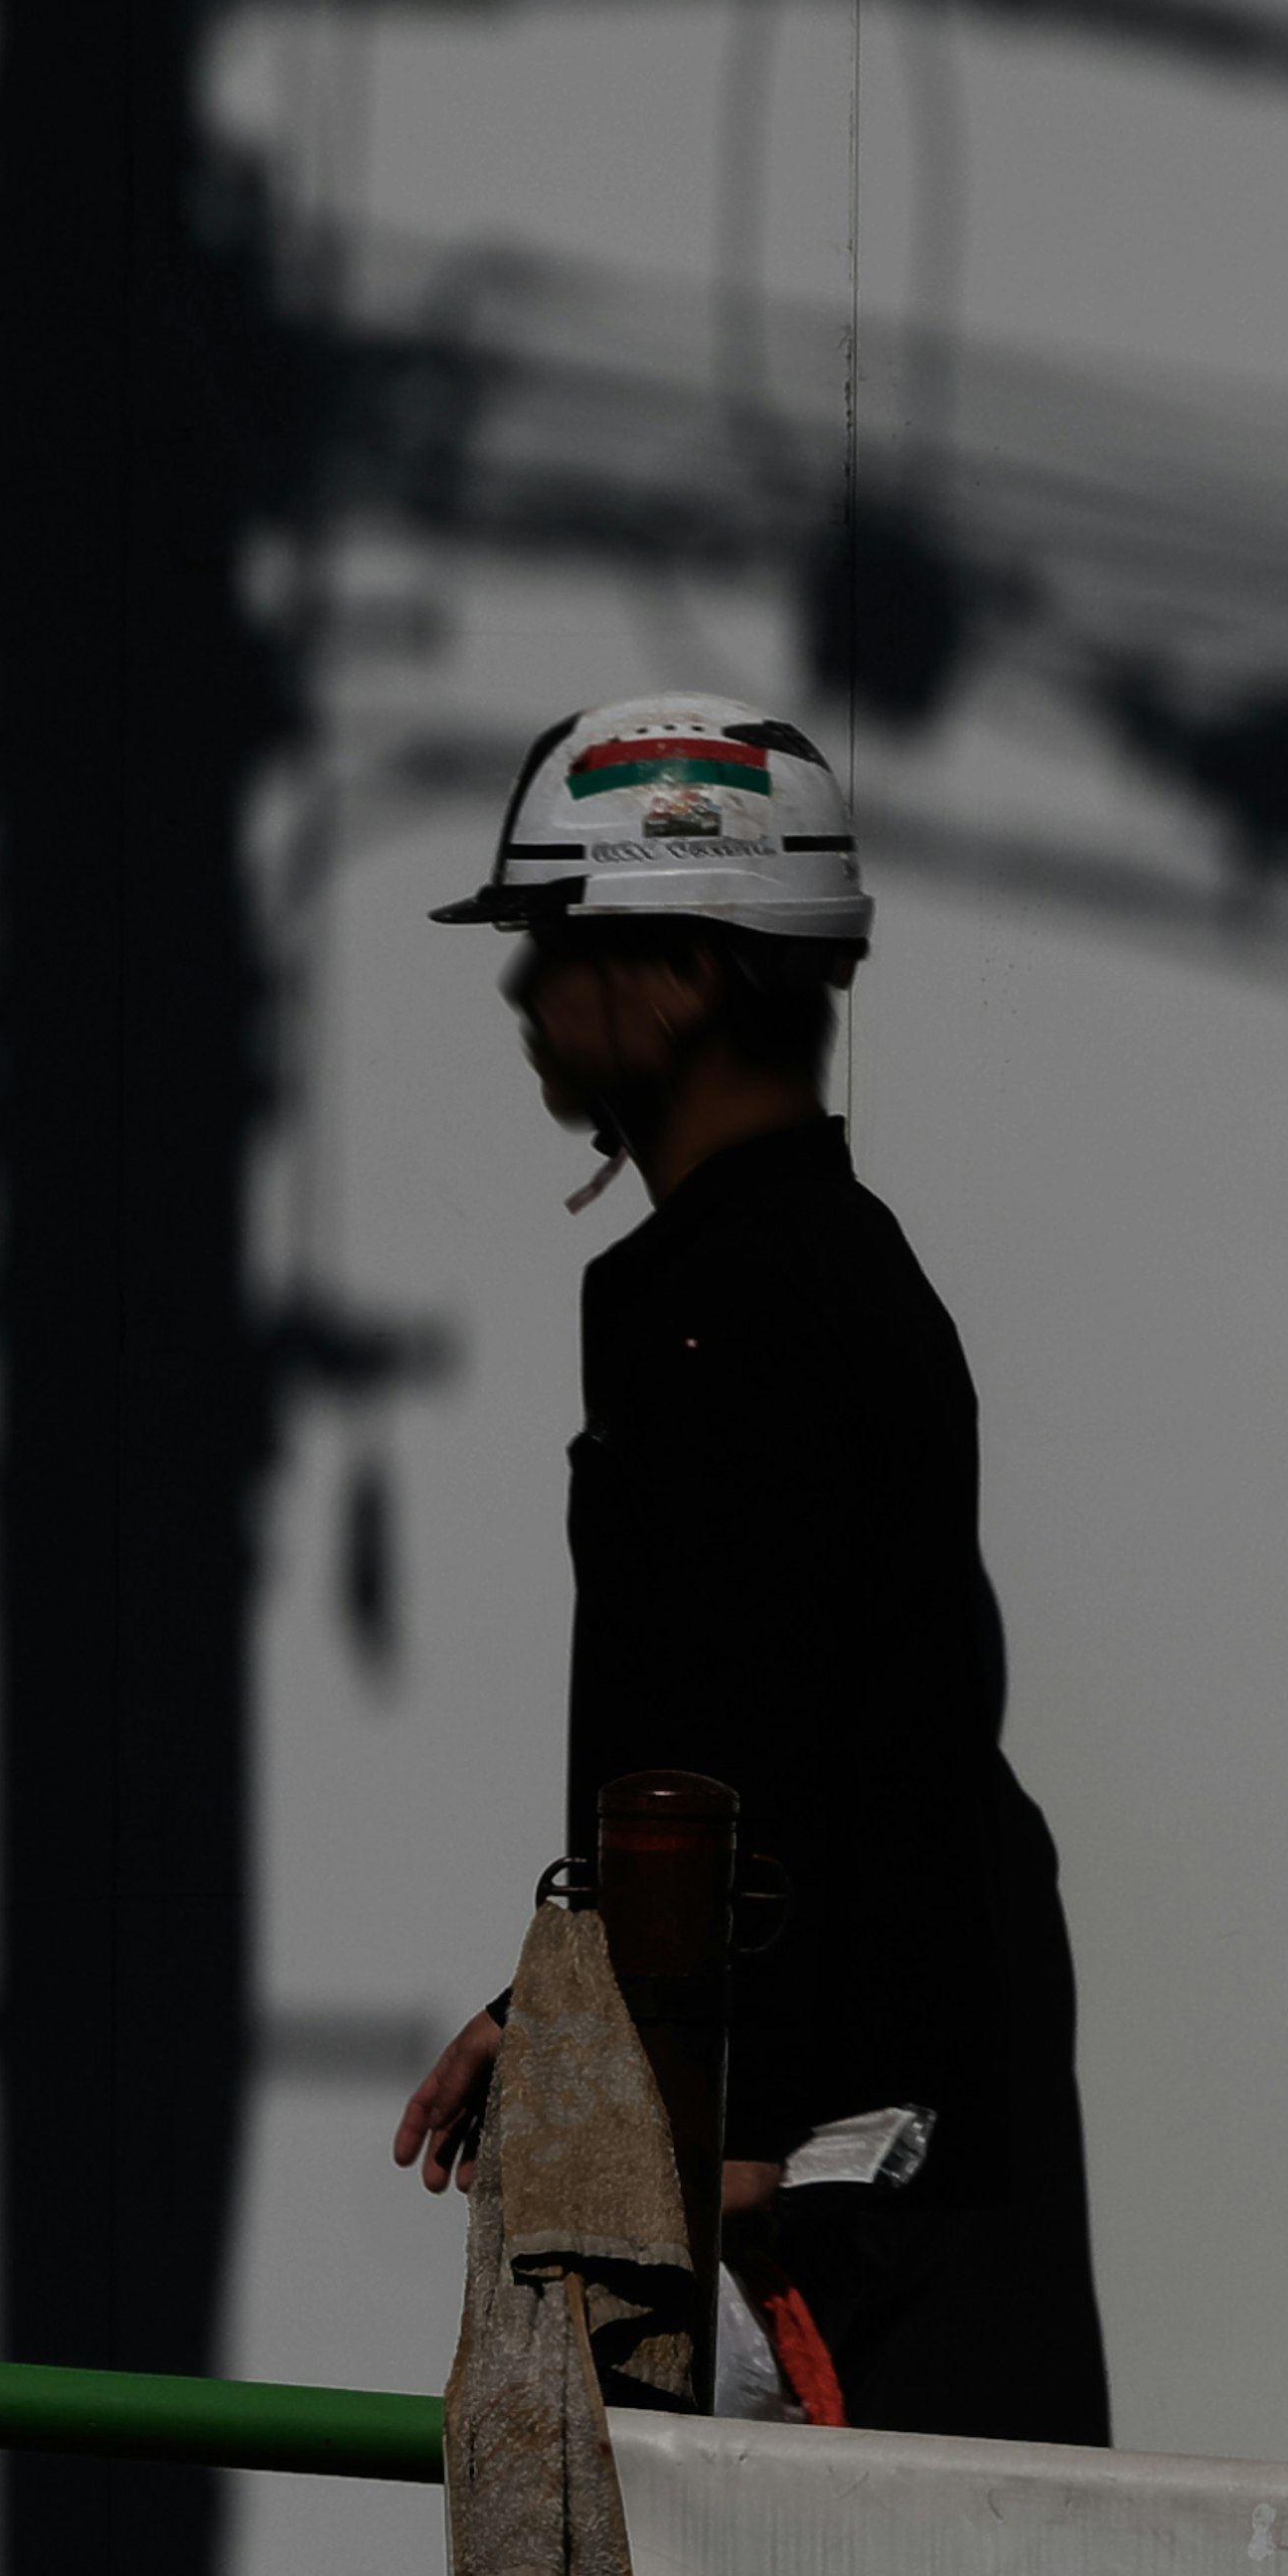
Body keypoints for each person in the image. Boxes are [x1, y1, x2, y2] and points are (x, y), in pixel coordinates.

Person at [393, 696, 1110, 2446]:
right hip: (784, 2177)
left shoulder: (756, 1304)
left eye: (556, 938)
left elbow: (769, 1761)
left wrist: (726, 2132)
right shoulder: (790, 1282)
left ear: (691, 970)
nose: (521, 992)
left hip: (788, 2220)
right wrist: (556, 2012)